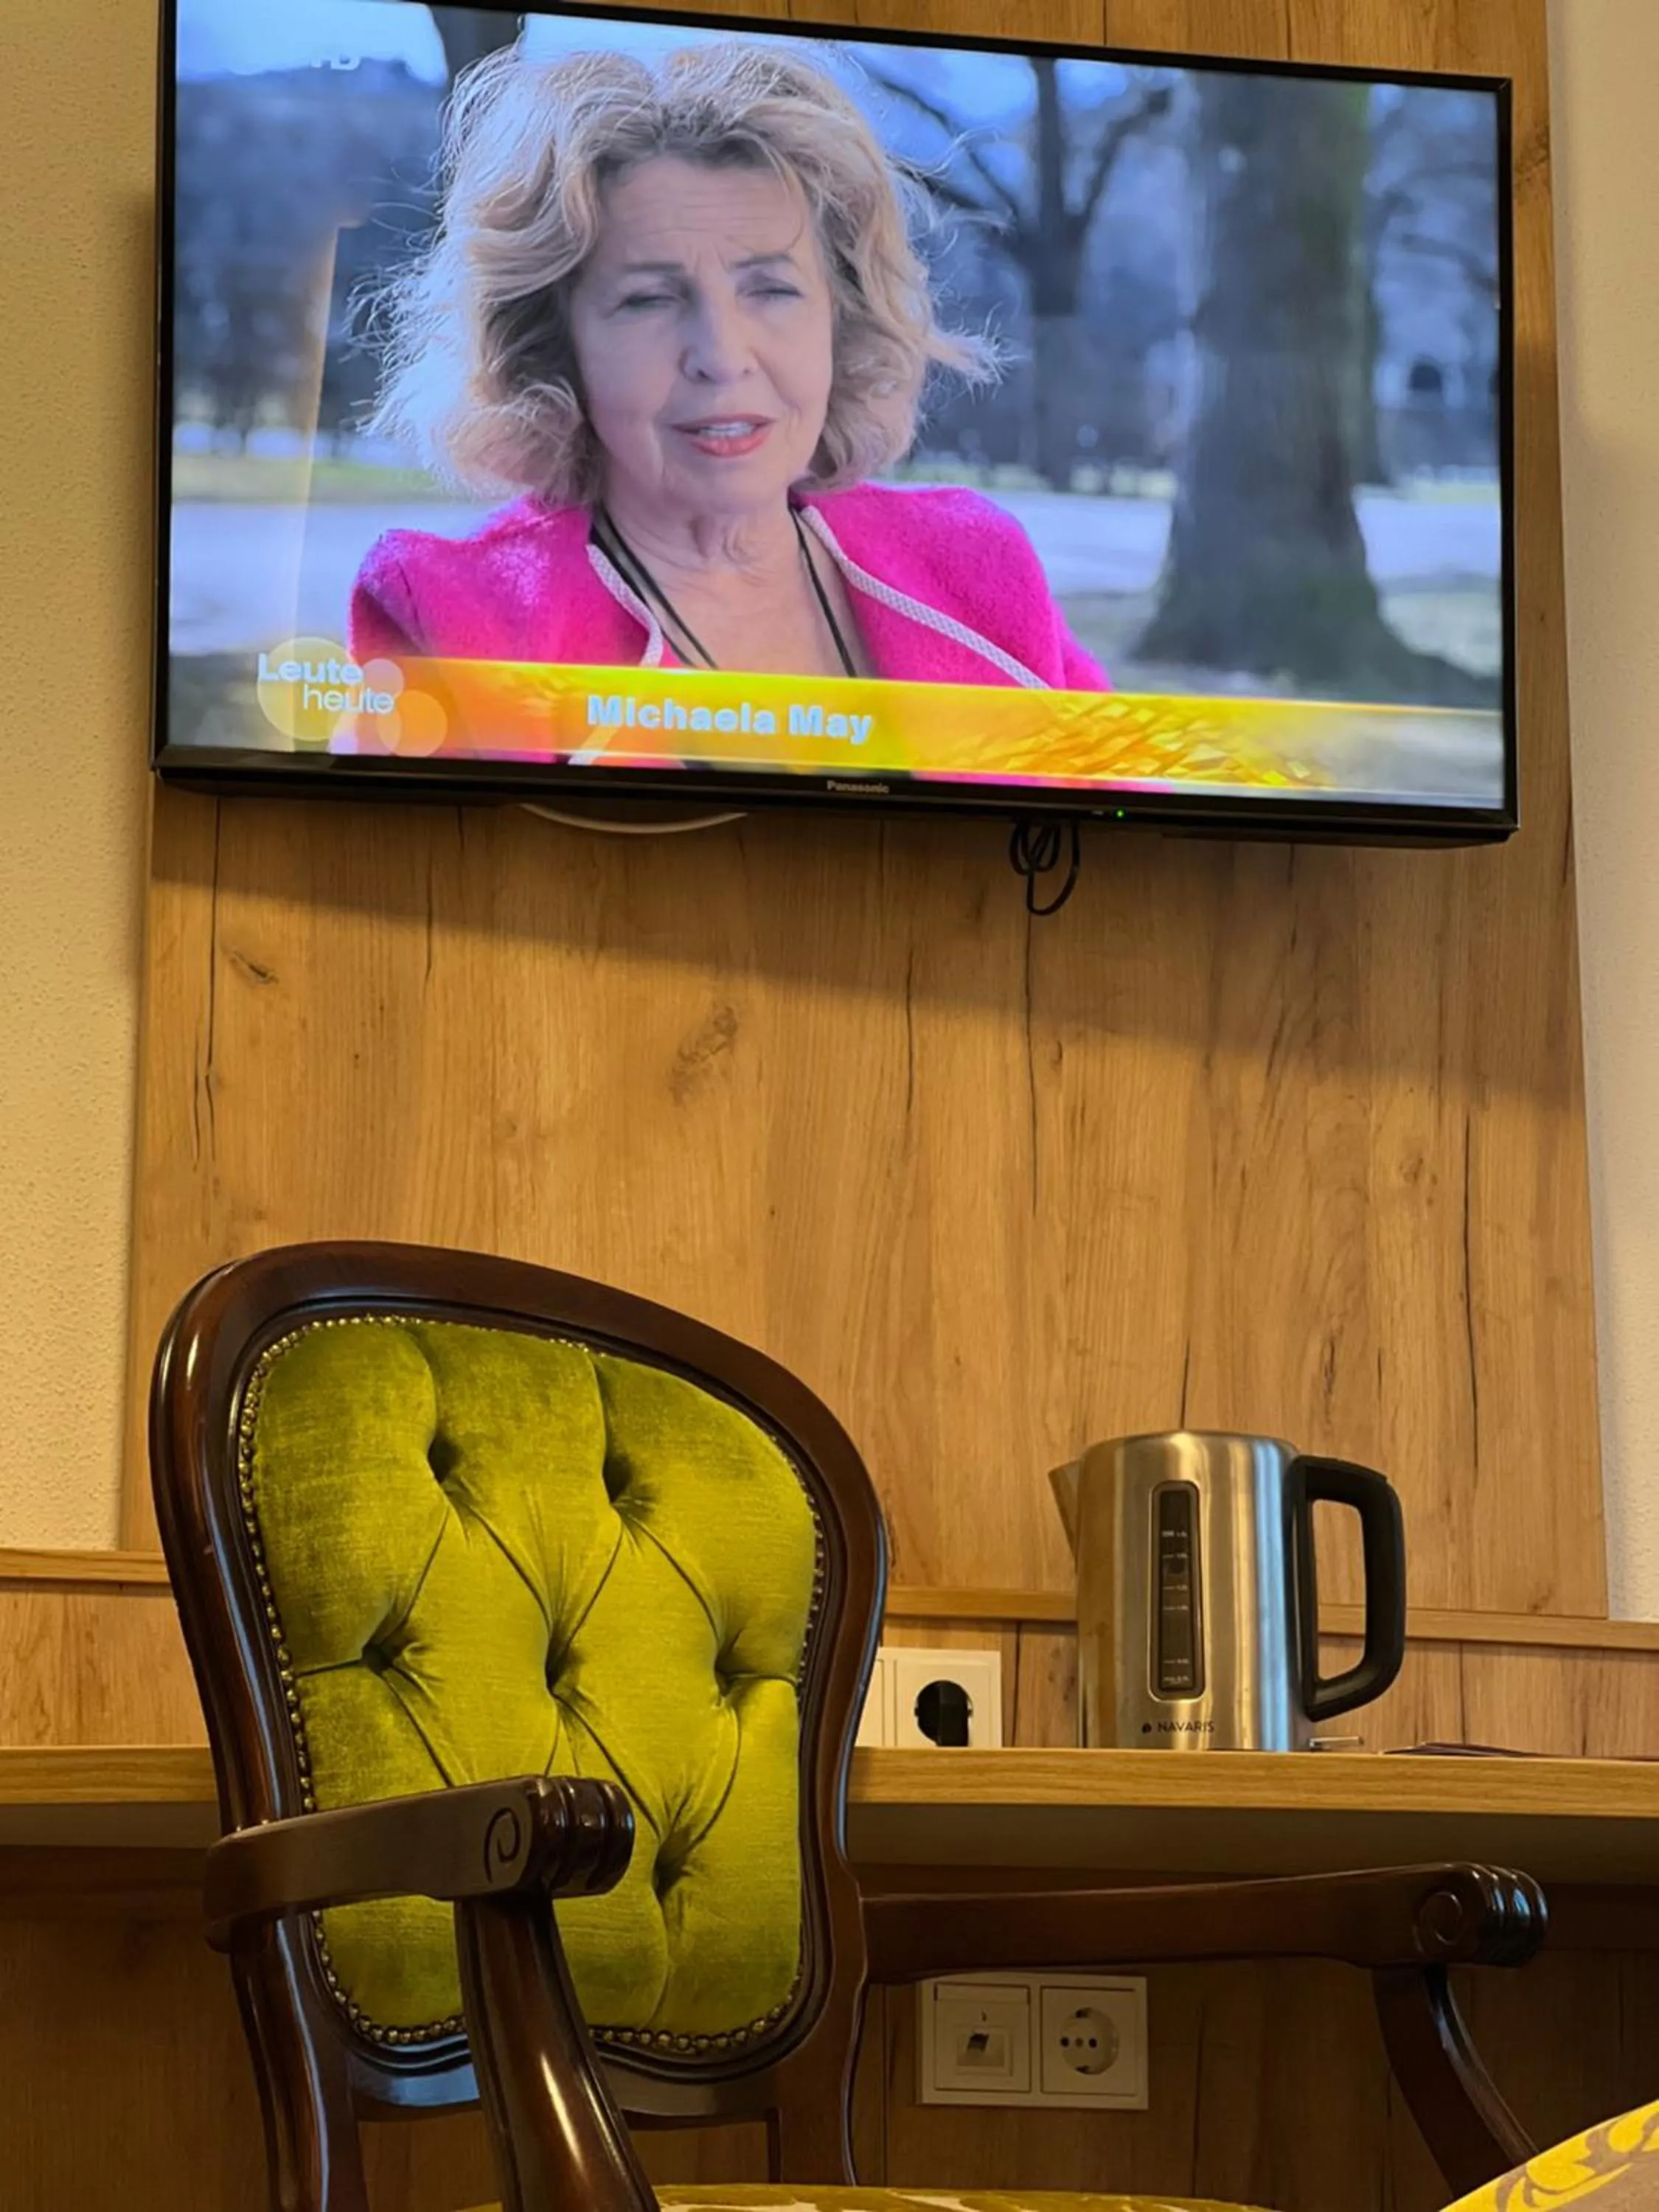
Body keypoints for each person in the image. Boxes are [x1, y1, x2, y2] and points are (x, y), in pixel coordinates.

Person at [352, 39, 1107, 692]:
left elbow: (1112, 816)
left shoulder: (973, 562)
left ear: (841, 320)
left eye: (771, 290)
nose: (721, 356)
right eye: (649, 300)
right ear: (554, 344)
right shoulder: (458, 618)